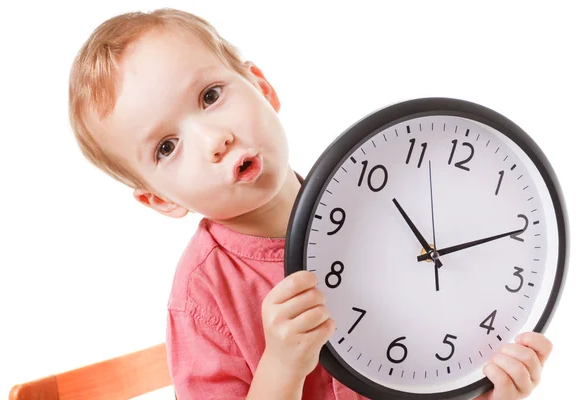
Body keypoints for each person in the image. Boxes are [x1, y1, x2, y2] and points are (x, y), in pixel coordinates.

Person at [68, 8, 553, 400]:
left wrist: (490, 389)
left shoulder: (375, 196)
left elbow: (425, 360)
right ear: (159, 200)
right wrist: (281, 367)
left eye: (210, 96)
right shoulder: (203, 297)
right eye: (167, 147)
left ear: (262, 87)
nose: (213, 140)